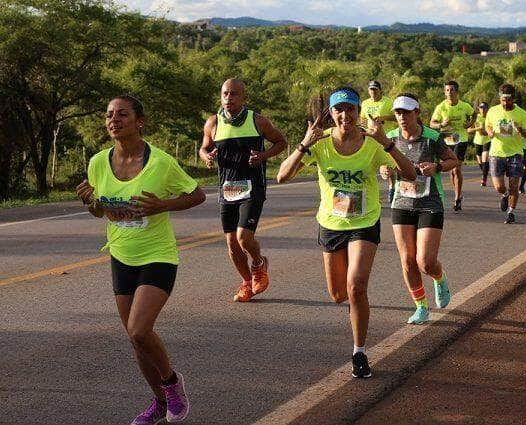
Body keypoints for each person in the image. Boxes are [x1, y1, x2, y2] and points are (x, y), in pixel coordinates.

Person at [76, 96, 206, 424]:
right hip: (121, 256)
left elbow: (197, 194)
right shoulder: (97, 163)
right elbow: (99, 211)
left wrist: (162, 205)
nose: (114, 120)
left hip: (157, 255)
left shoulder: (161, 163)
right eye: (109, 115)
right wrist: (91, 201)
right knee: (137, 342)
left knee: (139, 328)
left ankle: (172, 384)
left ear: (139, 121)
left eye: (122, 114)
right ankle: (159, 404)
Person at [277, 87, 416, 378]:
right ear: (331, 114)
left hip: (364, 222)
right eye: (338, 110)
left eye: (350, 109)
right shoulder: (320, 143)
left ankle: (359, 351)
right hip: (331, 224)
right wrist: (304, 144)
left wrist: (387, 144)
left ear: (358, 112)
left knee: (356, 286)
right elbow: (282, 176)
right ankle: (356, 311)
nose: (345, 116)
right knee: (338, 293)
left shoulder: (373, 143)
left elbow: (410, 174)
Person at [200, 79, 287, 303]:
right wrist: (206, 156)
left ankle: (258, 262)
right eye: (225, 94)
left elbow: (280, 142)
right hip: (227, 187)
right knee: (231, 242)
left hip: (252, 186)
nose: (229, 98)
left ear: (244, 98)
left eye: (234, 94)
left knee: (243, 237)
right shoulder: (213, 123)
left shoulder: (257, 120)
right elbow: (204, 147)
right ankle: (247, 282)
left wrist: (263, 156)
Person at [381, 93, 458, 324]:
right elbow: (381, 162)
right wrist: (385, 170)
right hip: (401, 202)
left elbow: (454, 160)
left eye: (406, 112)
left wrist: (437, 166)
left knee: (425, 261)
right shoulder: (390, 137)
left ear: (417, 112)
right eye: (398, 112)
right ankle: (421, 306)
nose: (402, 117)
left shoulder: (432, 138)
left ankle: (439, 277)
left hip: (429, 202)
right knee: (407, 260)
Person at [485, 83, 526, 224]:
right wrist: (489, 131)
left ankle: (511, 212)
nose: (505, 102)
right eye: (502, 99)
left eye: (508, 99)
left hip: (515, 153)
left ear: (513, 98)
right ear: (499, 98)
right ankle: (504, 194)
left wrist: (521, 130)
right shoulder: (492, 111)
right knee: (499, 186)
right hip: (496, 153)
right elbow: (488, 125)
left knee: (514, 185)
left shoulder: (521, 114)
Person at [430, 81, 475, 211]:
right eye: (447, 90)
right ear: (444, 92)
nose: (449, 92)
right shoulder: (441, 107)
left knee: (456, 169)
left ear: (457, 92)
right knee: (451, 170)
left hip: (461, 139)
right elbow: (432, 123)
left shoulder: (464, 106)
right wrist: (442, 125)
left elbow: (474, 114)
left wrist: (470, 123)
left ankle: (457, 197)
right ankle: (457, 193)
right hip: (446, 140)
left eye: (451, 90)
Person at [361, 80, 398, 202]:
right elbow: (362, 120)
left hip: (385, 137)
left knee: (388, 165)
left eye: (375, 89)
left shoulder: (387, 102)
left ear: (380, 90)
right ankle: (373, 194)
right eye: (371, 89)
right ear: (368, 91)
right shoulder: (365, 103)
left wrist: (384, 118)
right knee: (369, 165)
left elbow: (396, 117)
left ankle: (392, 186)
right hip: (369, 138)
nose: (373, 92)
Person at [468, 102, 491, 186]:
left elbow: (489, 132)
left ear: (488, 109)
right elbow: (469, 130)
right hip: (477, 141)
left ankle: (484, 179)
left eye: (485, 108)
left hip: (487, 140)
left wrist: (484, 131)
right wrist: (479, 128)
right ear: (478, 109)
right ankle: (485, 173)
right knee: (480, 162)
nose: (483, 109)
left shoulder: (490, 117)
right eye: (481, 108)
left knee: (485, 158)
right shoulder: (476, 117)